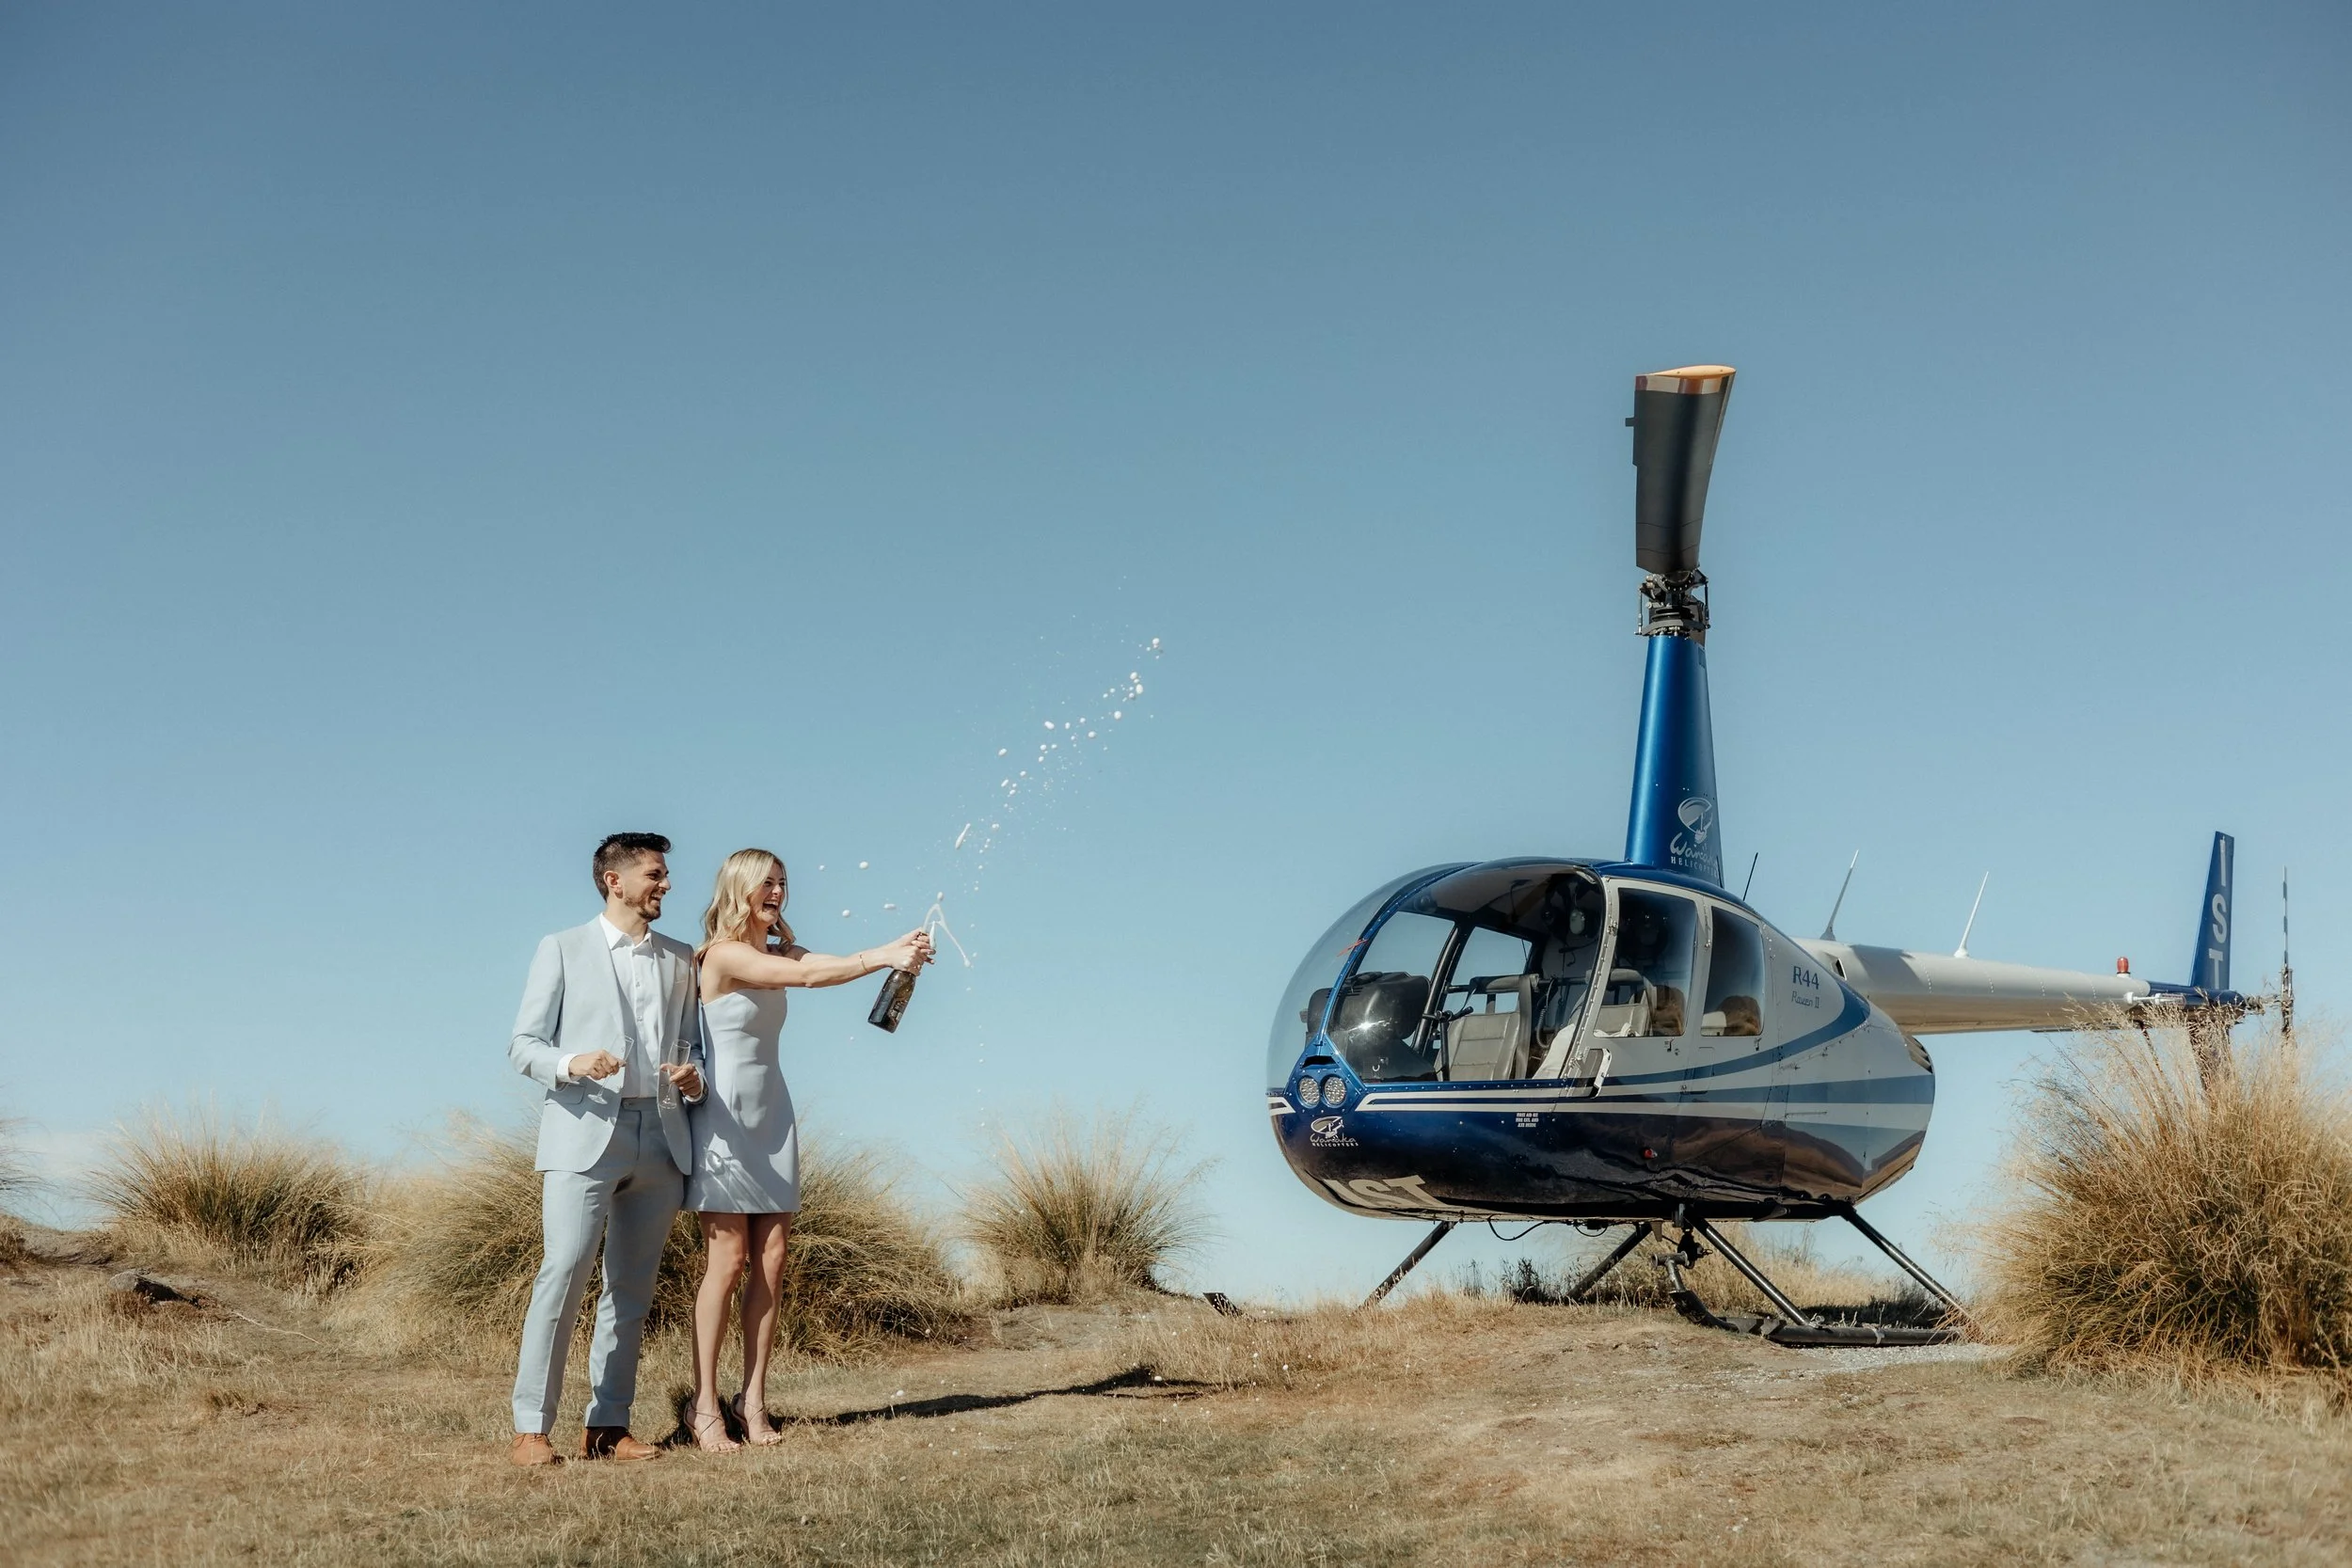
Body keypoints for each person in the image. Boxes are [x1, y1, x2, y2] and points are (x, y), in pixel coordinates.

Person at [682, 848, 931, 1450]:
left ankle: (755, 1399)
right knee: (729, 1262)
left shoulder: (778, 950)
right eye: (766, 883)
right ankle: (704, 1403)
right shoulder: (722, 956)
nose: (777, 892)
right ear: (739, 888)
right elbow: (808, 978)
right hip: (724, 1119)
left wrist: (896, 952)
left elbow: (825, 963)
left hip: (774, 1116)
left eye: (783, 883)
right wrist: (881, 958)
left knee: (773, 1259)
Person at [504, 832, 707, 1468]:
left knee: (632, 1290)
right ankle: (530, 1429)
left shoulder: (682, 959)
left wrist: (693, 1075)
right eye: (655, 874)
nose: (666, 884)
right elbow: (523, 1044)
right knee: (561, 1274)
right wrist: (574, 1061)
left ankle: (608, 1424)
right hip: (584, 1133)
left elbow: (694, 1044)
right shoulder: (560, 947)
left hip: (662, 1136)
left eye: (667, 873)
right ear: (613, 880)